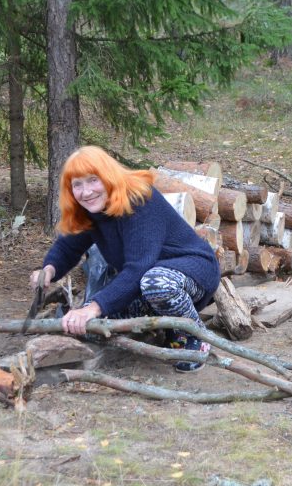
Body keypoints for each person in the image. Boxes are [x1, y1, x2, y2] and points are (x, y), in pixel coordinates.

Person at [29, 146, 220, 372]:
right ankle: (166, 325)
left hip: (193, 269)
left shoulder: (140, 199)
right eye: (77, 184)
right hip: (145, 278)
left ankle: (194, 335)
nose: (86, 191)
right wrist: (49, 269)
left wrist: (92, 308)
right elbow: (68, 247)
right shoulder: (90, 209)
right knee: (99, 323)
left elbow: (139, 268)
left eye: (92, 180)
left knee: (154, 283)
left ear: (108, 176)